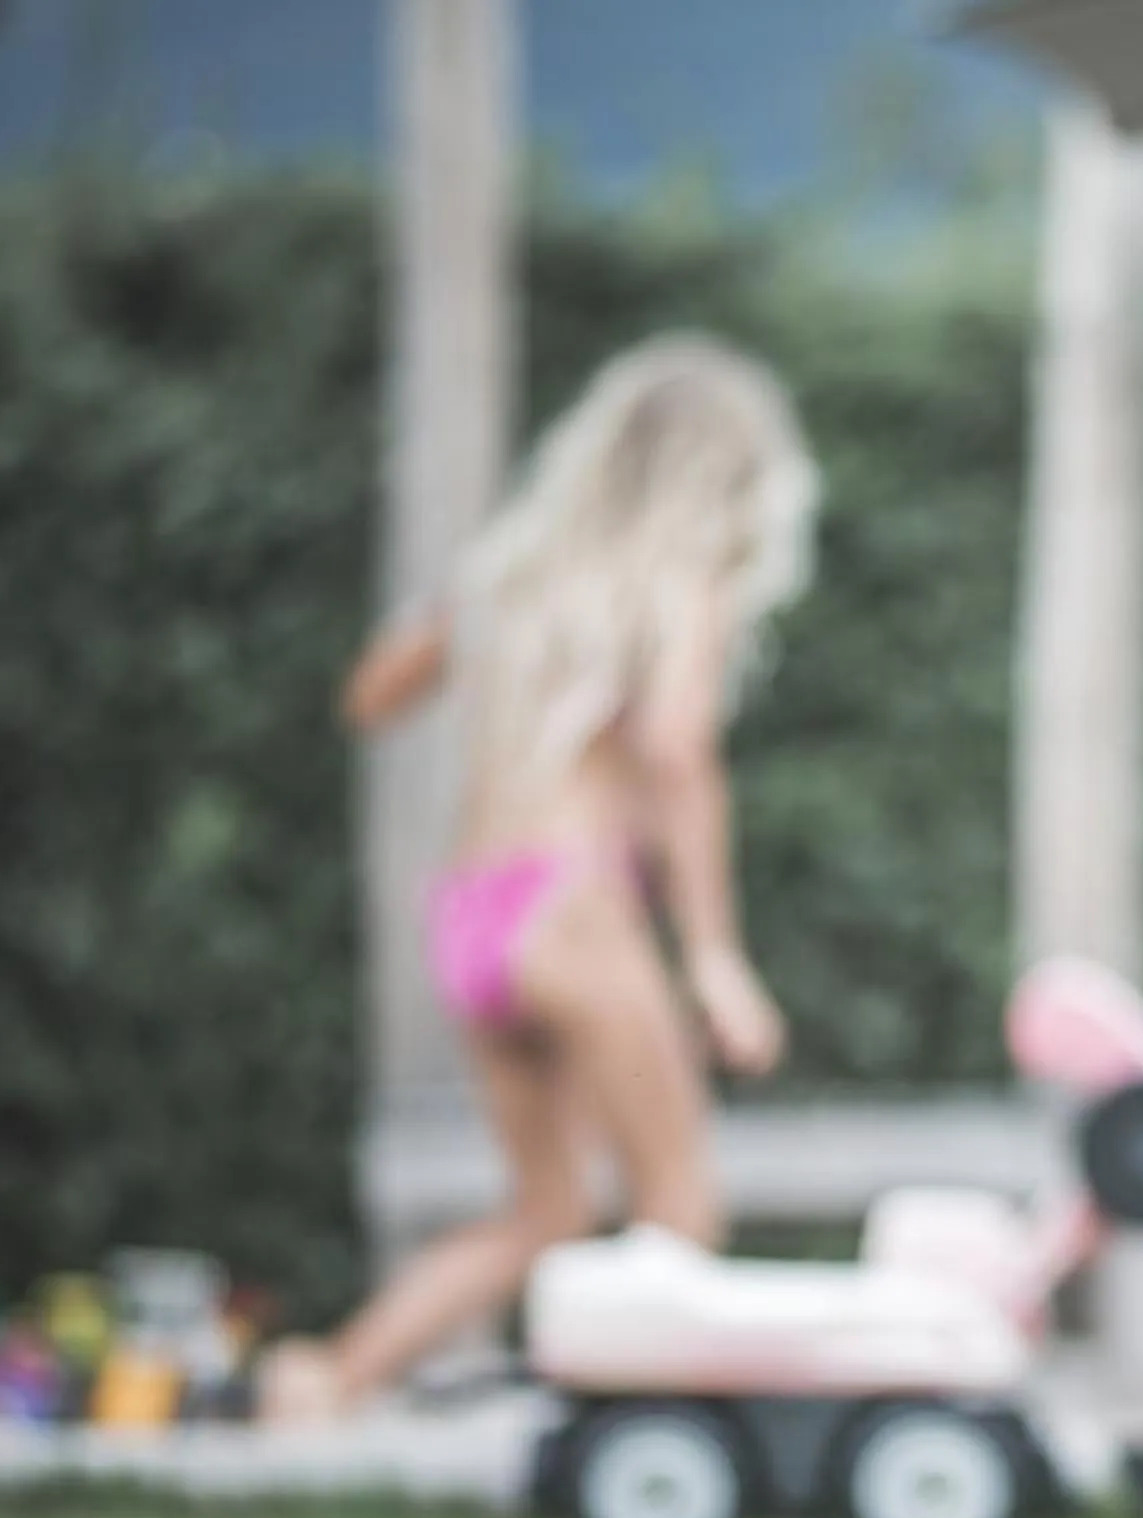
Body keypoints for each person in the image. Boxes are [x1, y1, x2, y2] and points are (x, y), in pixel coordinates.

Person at [256, 333, 821, 1423]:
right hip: (571, 907)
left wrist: (482, 634)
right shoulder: (680, 581)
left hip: (472, 915)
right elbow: (676, 748)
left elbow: (371, 696)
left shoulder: (509, 578)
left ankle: (324, 1378)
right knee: (679, 1203)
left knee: (550, 1209)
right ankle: (651, 1447)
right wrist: (714, 956)